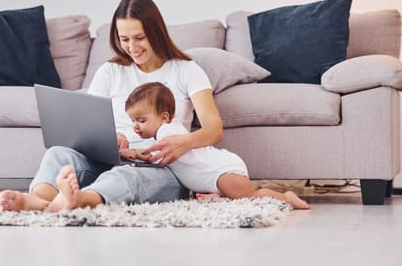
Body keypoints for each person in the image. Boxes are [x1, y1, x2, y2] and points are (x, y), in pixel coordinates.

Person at [0, 0, 224, 212]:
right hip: (110, 159)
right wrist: (108, 138)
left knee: (125, 176)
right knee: (59, 153)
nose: (132, 47)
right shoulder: (111, 71)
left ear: (156, 33)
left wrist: (184, 142)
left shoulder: (187, 70)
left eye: (139, 38)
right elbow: (87, 124)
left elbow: (214, 128)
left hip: (161, 167)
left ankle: (77, 200)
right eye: (124, 39)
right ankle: (38, 200)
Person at [119, 82, 309, 209]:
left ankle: (286, 198)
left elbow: (155, 157)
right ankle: (219, 196)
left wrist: (133, 153)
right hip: (211, 175)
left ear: (164, 117)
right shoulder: (163, 133)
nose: (135, 126)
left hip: (221, 171)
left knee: (249, 196)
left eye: (141, 120)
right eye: (133, 120)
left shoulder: (168, 132)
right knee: (236, 197)